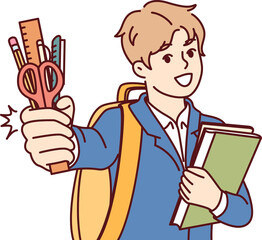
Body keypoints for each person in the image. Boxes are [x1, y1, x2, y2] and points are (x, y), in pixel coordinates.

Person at [21, 1, 252, 239]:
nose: (184, 64)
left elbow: (243, 211)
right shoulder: (119, 122)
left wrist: (217, 200)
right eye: (167, 57)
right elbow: (84, 147)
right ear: (141, 68)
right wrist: (59, 140)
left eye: (190, 52)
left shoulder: (215, 129)